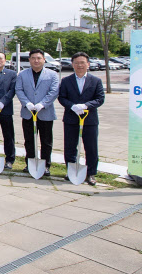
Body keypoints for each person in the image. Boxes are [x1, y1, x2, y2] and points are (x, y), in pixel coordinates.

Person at [58, 52, 105, 185]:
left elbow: (100, 99)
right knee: (70, 147)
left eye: (82, 62)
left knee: (91, 147)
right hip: (71, 119)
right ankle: (71, 171)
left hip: (90, 120)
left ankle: (91, 173)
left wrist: (86, 106)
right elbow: (62, 97)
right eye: (77, 63)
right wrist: (72, 106)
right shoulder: (66, 81)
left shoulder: (96, 81)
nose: (80, 65)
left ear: (88, 64)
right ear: (72, 64)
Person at [15, 49, 60, 176]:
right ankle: (30, 163)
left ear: (44, 60)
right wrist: (27, 103)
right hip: (28, 113)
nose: (36, 60)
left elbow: (54, 91)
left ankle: (46, 165)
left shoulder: (52, 75)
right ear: (29, 60)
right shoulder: (23, 74)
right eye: (33, 58)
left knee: (46, 141)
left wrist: (42, 104)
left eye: (39, 58)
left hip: (45, 113)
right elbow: (19, 90)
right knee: (29, 140)